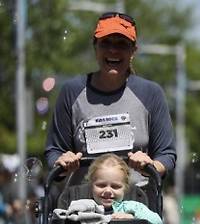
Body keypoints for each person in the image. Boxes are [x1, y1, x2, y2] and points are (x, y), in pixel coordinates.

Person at [44, 12, 176, 177]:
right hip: (83, 200)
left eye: (122, 44)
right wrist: (62, 162)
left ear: (133, 51)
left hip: (137, 200)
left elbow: (167, 155)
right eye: (105, 43)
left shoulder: (151, 93)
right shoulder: (71, 91)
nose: (113, 50)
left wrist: (150, 166)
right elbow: (54, 152)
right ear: (95, 48)